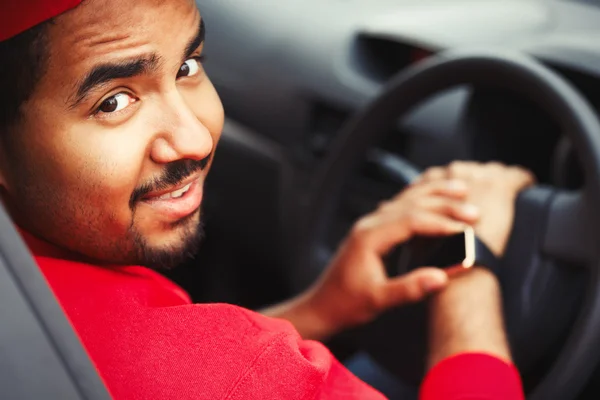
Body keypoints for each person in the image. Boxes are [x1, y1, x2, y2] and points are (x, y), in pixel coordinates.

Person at [0, 0, 532, 398]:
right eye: (114, 101)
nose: (196, 139)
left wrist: (318, 310)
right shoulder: (238, 374)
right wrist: (471, 274)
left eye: (187, 67)